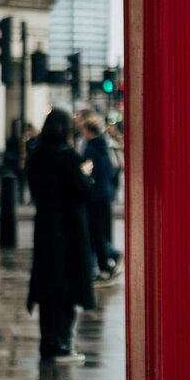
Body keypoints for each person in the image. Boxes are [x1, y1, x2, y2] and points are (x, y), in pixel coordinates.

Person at [26, 107, 95, 361]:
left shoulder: (36, 155)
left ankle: (48, 342)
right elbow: (83, 191)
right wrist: (87, 175)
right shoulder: (70, 157)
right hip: (69, 229)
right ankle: (63, 343)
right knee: (67, 287)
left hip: (44, 226)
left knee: (47, 287)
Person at [79, 109, 122, 279]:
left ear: (87, 130)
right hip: (105, 194)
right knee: (98, 232)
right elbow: (113, 170)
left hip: (94, 196)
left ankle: (112, 256)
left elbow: (88, 173)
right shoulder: (104, 146)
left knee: (94, 233)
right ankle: (104, 266)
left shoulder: (90, 148)